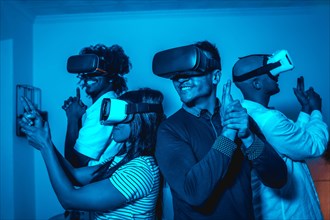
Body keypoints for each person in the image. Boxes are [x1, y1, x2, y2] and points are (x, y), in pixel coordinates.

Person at [152, 41, 287, 219]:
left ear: (215, 77)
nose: (181, 79)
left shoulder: (241, 120)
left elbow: (277, 177)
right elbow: (194, 193)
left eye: (192, 71)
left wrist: (247, 136)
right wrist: (228, 133)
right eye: (176, 75)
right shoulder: (170, 130)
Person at [19, 88, 165, 219]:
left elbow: (69, 200)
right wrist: (46, 141)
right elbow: (74, 175)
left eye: (122, 115)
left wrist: (45, 146)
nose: (113, 122)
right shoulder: (123, 160)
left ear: (142, 119)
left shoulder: (139, 170)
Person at [232, 53, 329, 219]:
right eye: (269, 71)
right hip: (290, 214)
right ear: (256, 83)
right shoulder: (269, 120)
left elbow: (294, 141)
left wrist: (305, 108)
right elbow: (314, 146)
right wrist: (316, 110)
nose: (276, 75)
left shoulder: (251, 114)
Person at [63, 43, 131, 168]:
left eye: (95, 71)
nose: (88, 76)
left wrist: (72, 118)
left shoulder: (103, 109)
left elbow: (74, 164)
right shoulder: (106, 104)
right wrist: (77, 117)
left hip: (95, 184)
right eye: (86, 72)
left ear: (111, 77)